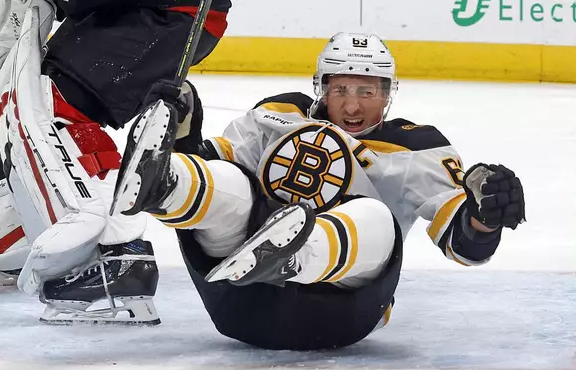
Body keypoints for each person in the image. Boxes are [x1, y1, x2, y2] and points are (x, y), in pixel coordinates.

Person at [112, 32, 526, 349]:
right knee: (235, 183)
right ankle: (166, 184)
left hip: (338, 313)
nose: (352, 106)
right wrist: (185, 136)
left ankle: (292, 258)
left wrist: (483, 216)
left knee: (375, 218)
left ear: (387, 94)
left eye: (367, 91)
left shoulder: (415, 148)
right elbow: (216, 167)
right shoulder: (276, 114)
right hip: (238, 299)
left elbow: (467, 246)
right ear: (321, 88)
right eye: (341, 90)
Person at [0, 0, 231, 323]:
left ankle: (117, 259)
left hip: (167, 14)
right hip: (137, 13)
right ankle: (45, 236)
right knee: (25, 92)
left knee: (51, 107)